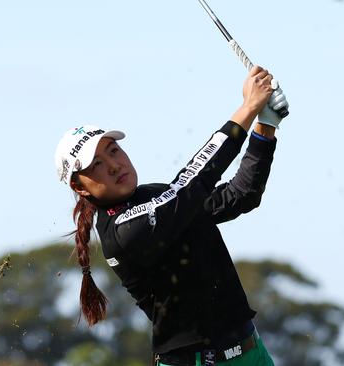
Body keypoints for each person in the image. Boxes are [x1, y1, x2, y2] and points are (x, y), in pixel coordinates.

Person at [54, 66, 288, 366]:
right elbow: (193, 182)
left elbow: (240, 195)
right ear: (79, 186)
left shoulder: (156, 195)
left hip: (252, 353)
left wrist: (265, 126)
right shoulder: (124, 231)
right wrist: (246, 110)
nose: (114, 165)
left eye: (113, 150)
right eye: (97, 164)